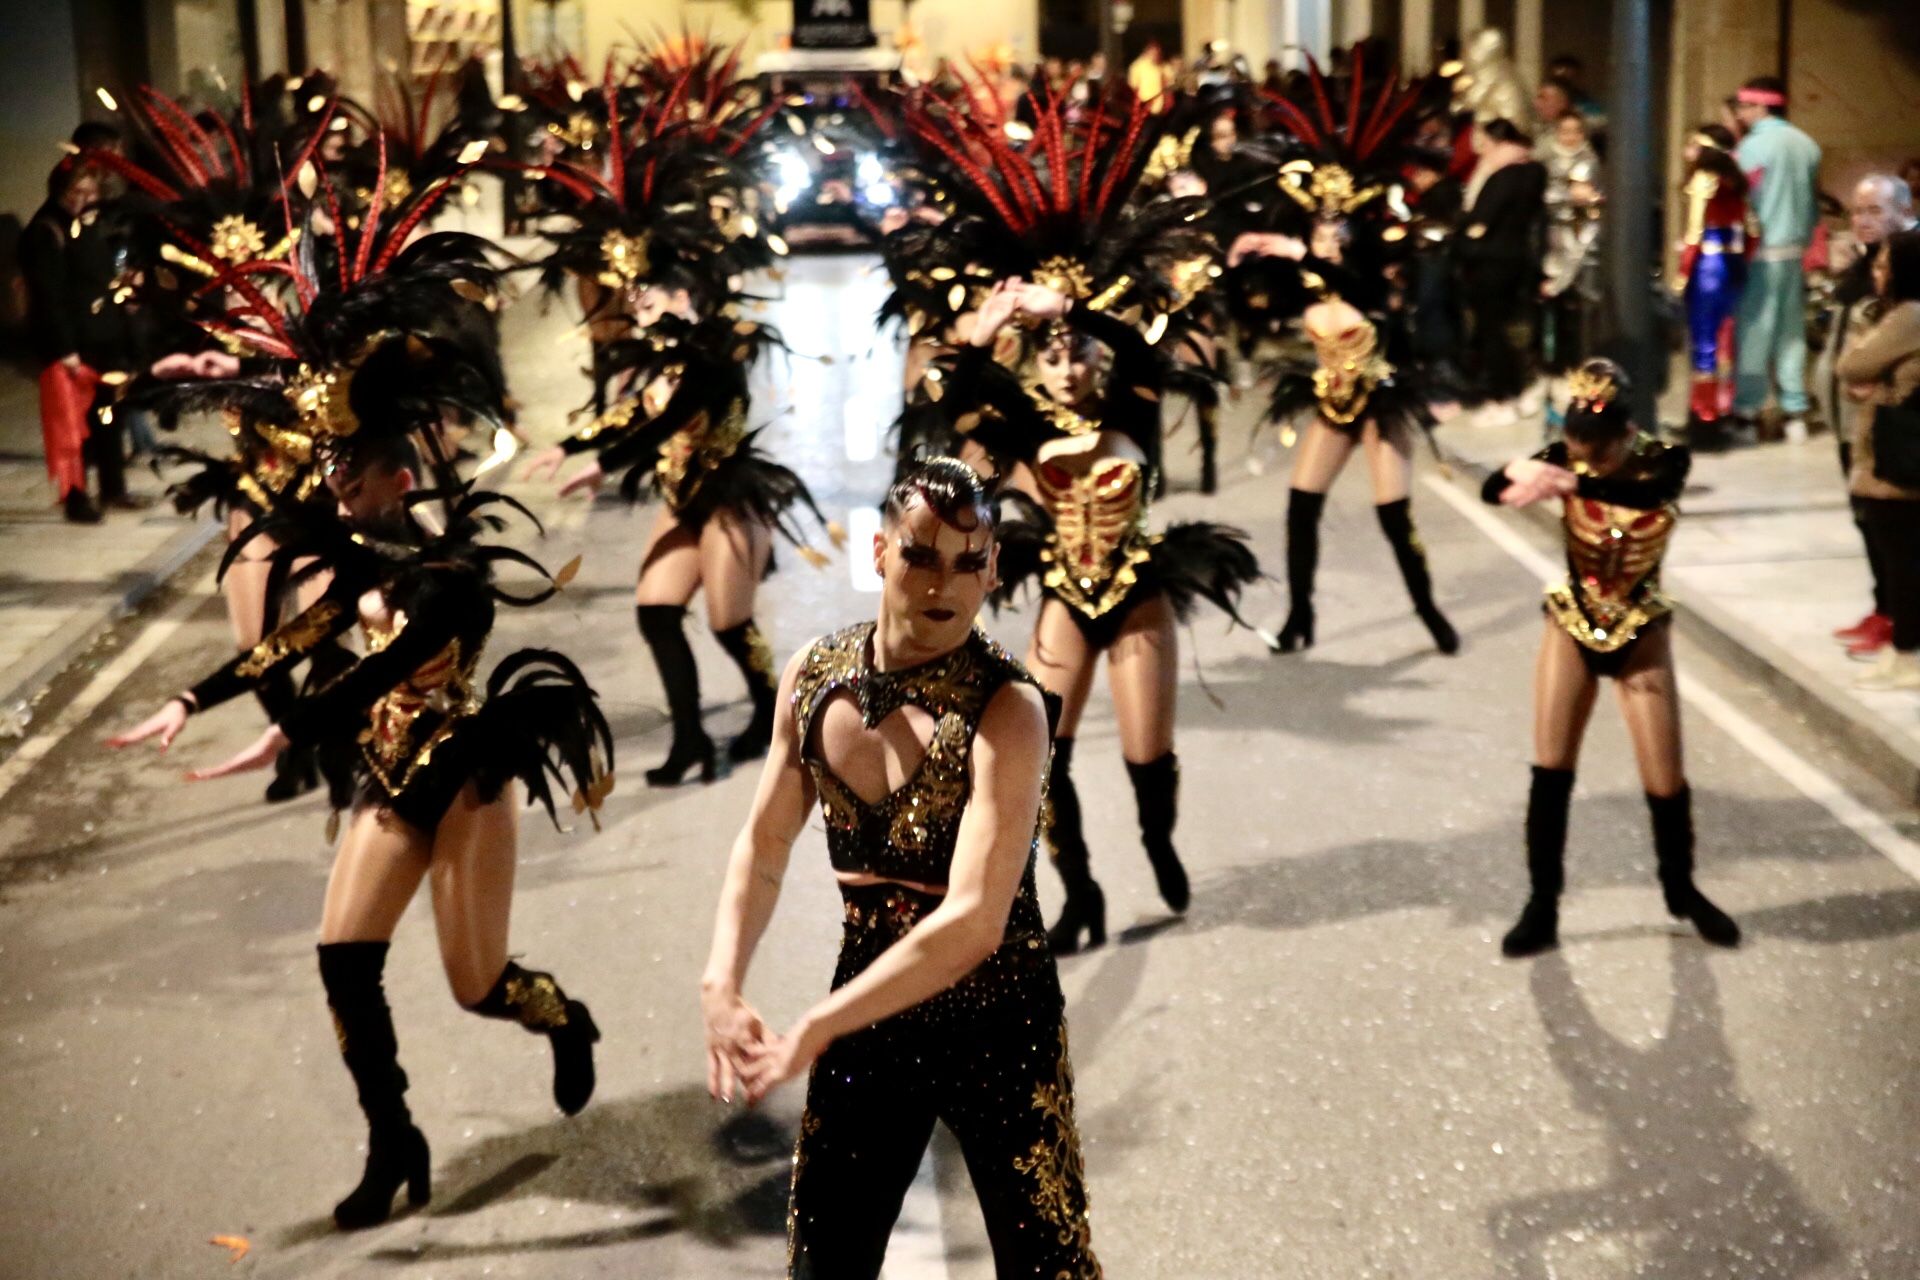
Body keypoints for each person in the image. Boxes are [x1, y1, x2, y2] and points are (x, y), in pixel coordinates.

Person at [109, 411, 613, 1231]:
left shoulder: (451, 576)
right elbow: (290, 644)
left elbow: (376, 668)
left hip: (462, 781)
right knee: (343, 960)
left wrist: (285, 733)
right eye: (331, 492)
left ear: (399, 482)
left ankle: (561, 1014)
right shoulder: (361, 558)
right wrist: (188, 699)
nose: (338, 510)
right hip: (387, 770)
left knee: (476, 987)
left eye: (351, 492)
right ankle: (394, 1140)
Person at [701, 458, 1101, 1278]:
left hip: (999, 1021)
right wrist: (722, 980)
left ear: (992, 568)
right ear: (880, 552)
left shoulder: (1009, 709)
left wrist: (818, 1024)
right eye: (922, 555)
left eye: (968, 561)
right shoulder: (814, 677)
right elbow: (766, 843)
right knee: (824, 1262)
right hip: (872, 1012)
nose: (943, 582)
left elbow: (975, 922)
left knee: (1048, 1265)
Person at [521, 61, 833, 786]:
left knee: (729, 623)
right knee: (657, 612)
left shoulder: (718, 350)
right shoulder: (656, 355)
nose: (637, 307)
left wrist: (610, 461)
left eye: (650, 296)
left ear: (684, 295)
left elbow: (675, 419)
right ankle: (689, 737)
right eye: (634, 298)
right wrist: (569, 443)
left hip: (729, 499)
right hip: (681, 499)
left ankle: (770, 716)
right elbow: (637, 412)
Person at [1482, 358, 1741, 956]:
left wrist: (1575, 483)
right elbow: (1490, 490)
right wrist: (1513, 471)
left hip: (1640, 634)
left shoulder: (1665, 459)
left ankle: (1681, 890)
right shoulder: (1563, 457)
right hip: (1573, 623)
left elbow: (1648, 493)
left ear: (1625, 433)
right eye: (1577, 448)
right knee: (1551, 770)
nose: (1586, 460)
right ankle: (1541, 903)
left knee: (1665, 777)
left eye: (1598, 450)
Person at [1233, 52, 1459, 657]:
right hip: (1331, 400)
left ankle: (1428, 609)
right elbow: (1254, 302)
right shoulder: (1302, 278)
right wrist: (1247, 259)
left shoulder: (1371, 280)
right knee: (1300, 507)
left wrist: (1310, 254)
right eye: (1318, 229)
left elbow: (1371, 297)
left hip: (1380, 402)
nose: (1326, 238)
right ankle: (1298, 617)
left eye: (1338, 230)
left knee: (1393, 516)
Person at [1821, 176, 1916, 659]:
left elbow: (1865, 359)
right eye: (1857, 211)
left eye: (1874, 210)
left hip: (1887, 427)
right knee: (1868, 522)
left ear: (1903, 211)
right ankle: (1884, 609)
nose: (1862, 220)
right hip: (1851, 423)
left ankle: (1901, 622)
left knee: (1892, 529)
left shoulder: (1907, 269)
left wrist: (1869, 384)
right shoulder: (1863, 266)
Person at [1834, 229, 1920, 691]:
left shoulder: (1908, 316)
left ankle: (1908, 652)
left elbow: (1851, 367)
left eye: (1886, 265)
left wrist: (1870, 365)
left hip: (1897, 459)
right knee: (1899, 557)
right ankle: (1901, 648)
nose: (1878, 273)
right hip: (1893, 452)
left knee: (1902, 560)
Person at [20, 159, 120, 522]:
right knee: (68, 428)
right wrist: (66, 349)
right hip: (65, 347)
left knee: (98, 420)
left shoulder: (82, 226)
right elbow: (50, 296)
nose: (84, 199)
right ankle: (75, 497)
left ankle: (108, 489)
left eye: (90, 192)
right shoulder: (47, 230)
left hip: (91, 339)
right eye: (77, 192)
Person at [1731, 75, 1822, 440]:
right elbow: (1813, 203)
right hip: (1794, 250)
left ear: (1761, 106)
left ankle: (1748, 411)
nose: (1739, 114)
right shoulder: (1807, 144)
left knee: (1755, 330)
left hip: (1760, 251)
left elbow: (1742, 199)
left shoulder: (1751, 148)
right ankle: (1795, 410)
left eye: (1743, 106)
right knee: (1791, 332)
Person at [1457, 118, 1548, 424]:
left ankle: (1502, 396)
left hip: (1492, 261)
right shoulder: (1532, 170)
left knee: (1492, 329)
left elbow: (1481, 221)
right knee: (1506, 330)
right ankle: (1515, 392)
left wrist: (1465, 232)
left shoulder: (1502, 175)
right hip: (1515, 259)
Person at [1673, 125, 1754, 441]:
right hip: (1732, 266)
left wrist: (1682, 273)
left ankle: (1703, 417)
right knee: (1725, 342)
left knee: (1704, 342)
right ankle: (1722, 410)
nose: (1687, 150)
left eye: (1692, 143)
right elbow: (1753, 229)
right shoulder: (1735, 181)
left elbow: (1694, 232)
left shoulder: (1703, 179)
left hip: (1707, 266)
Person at [1539, 112, 1605, 404]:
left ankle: (1581, 372)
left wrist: (1586, 199)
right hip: (1552, 244)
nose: (1570, 137)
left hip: (1583, 244)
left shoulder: (1592, 162)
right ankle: (1553, 372)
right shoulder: (1546, 161)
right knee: (1553, 309)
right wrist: (1568, 195)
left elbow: (1596, 198)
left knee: (1583, 311)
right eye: (1564, 130)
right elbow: (1545, 197)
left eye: (1576, 131)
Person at [1127, 38, 1166, 110]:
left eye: (1158, 53)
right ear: (1147, 51)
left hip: (1161, 108)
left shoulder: (1162, 66)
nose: (1156, 55)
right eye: (1154, 52)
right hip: (1145, 107)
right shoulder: (1137, 67)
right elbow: (1133, 86)